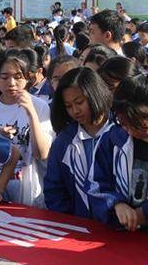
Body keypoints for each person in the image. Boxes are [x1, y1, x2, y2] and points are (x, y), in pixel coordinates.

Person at [89, 74, 148, 234]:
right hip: (120, 234)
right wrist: (115, 204)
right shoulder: (113, 137)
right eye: (124, 124)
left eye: (139, 126)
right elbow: (95, 182)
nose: (131, 132)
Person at [0, 49, 54, 207]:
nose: (11, 83)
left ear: (28, 78)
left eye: (18, 77)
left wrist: (31, 113)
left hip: (32, 194)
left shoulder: (40, 106)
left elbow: (42, 153)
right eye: (4, 77)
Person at [44, 67, 113, 218]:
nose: (75, 110)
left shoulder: (122, 131)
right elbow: (54, 188)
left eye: (79, 102)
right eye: (68, 106)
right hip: (80, 227)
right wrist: (70, 223)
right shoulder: (64, 141)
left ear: (96, 94)